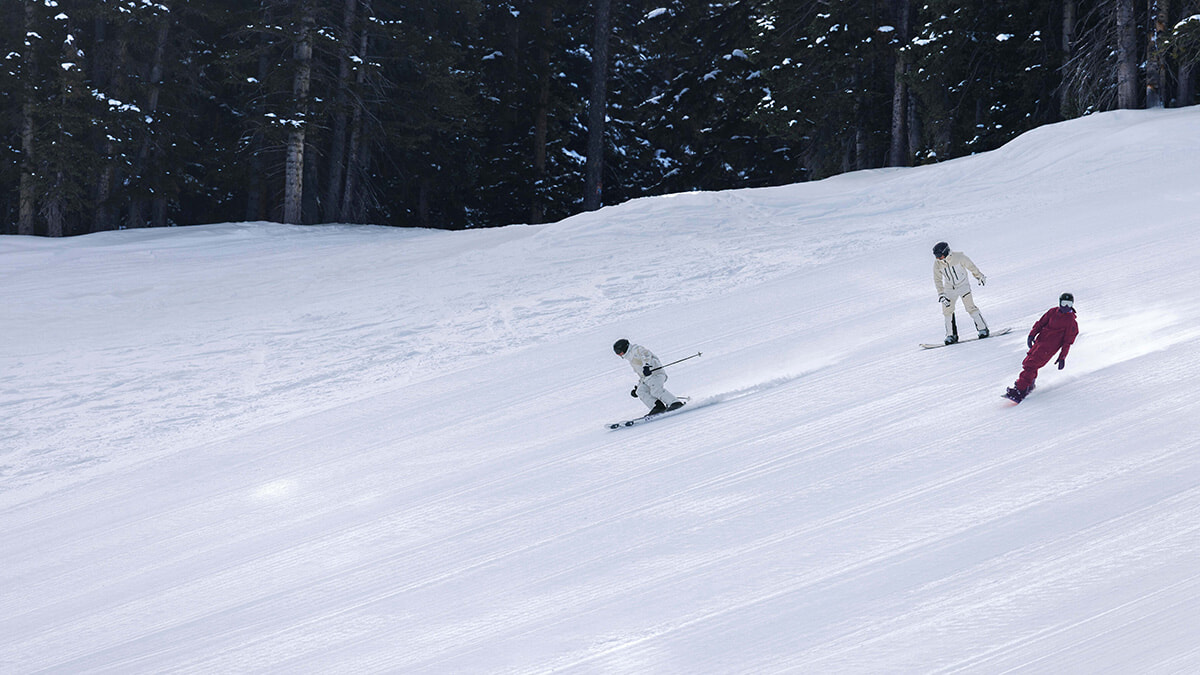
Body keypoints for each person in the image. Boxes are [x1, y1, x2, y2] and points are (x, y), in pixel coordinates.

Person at [1005, 293, 1079, 403]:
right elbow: (1040, 323)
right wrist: (1032, 335)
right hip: (1039, 343)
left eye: (1069, 304)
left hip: (1049, 349)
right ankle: (1029, 385)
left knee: (1030, 365)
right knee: (1028, 362)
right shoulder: (1052, 312)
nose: (1066, 306)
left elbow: (1067, 342)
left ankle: (1020, 389)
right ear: (1060, 303)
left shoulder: (1071, 322)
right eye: (1064, 303)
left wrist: (1062, 357)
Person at [933, 241, 990, 344]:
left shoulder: (959, 257)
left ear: (945, 252)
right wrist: (941, 294)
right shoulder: (937, 264)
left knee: (970, 307)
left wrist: (979, 276)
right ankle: (951, 335)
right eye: (936, 256)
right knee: (947, 310)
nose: (938, 258)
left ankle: (983, 329)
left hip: (963, 285)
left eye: (940, 256)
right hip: (949, 288)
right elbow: (937, 279)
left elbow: (971, 266)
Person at [613, 339, 684, 414]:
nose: (619, 354)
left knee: (656, 391)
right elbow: (642, 375)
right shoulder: (630, 358)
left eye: (619, 352)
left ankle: (675, 403)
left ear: (625, 348)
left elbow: (646, 355)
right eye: (617, 353)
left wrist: (646, 366)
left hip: (656, 374)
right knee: (640, 391)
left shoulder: (636, 349)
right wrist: (637, 387)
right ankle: (657, 407)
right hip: (647, 378)